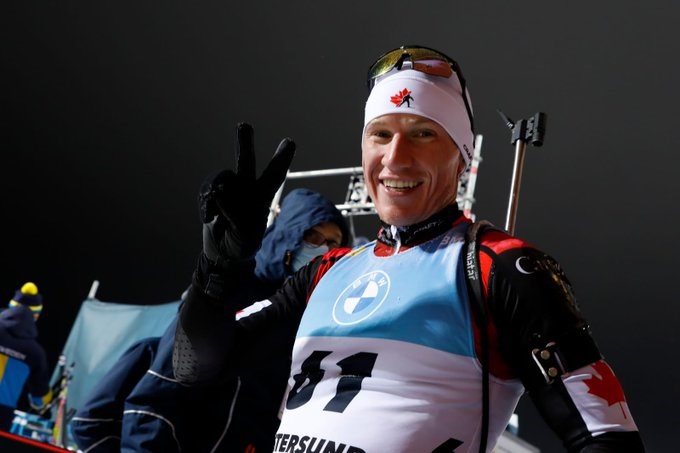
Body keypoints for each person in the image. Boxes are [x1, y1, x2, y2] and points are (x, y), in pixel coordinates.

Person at [172, 45, 645, 452]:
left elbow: (606, 436)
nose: (396, 157)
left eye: (423, 133)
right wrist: (219, 265)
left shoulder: (501, 268)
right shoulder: (326, 273)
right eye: (381, 134)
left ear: (461, 156)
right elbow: (194, 367)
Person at [70, 188, 351, 452]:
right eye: (314, 237)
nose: (323, 250)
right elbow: (159, 396)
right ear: (287, 234)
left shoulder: (304, 324)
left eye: (333, 243)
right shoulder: (226, 290)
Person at [0, 282, 53, 431]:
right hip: (2, 415)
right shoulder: (35, 352)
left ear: (11, 305)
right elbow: (39, 400)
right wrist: (44, 402)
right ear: (36, 315)